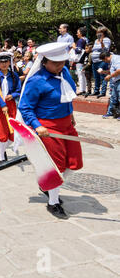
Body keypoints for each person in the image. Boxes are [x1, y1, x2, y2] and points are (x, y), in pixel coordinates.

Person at [18, 42, 83, 219]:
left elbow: (67, 95)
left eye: (62, 62)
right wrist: (37, 126)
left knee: (75, 162)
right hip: (48, 128)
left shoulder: (65, 73)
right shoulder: (36, 81)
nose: (60, 66)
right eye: (55, 63)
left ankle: (47, 185)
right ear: (45, 62)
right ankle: (53, 202)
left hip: (67, 125)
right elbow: (25, 107)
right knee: (57, 166)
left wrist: (71, 115)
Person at [0, 52, 21, 164]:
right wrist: (2, 105)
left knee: (13, 131)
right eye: (1, 62)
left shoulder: (14, 76)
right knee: (2, 130)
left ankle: (2, 148)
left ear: (10, 62)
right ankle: (1, 156)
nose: (3, 64)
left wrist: (12, 95)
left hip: (11, 105)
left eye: (6, 61)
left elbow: (18, 90)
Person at [91, 27, 112, 98]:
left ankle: (103, 92)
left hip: (102, 61)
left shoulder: (106, 40)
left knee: (103, 76)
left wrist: (102, 42)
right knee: (96, 77)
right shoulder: (96, 40)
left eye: (100, 32)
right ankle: (96, 90)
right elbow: (93, 49)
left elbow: (105, 49)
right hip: (94, 61)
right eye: (97, 32)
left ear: (103, 33)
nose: (98, 34)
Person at [100, 51, 120, 120]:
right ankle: (111, 112)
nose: (105, 62)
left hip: (119, 81)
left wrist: (110, 76)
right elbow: (113, 71)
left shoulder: (116, 59)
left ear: (106, 58)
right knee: (113, 98)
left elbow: (119, 70)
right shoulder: (112, 61)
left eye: (104, 60)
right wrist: (104, 72)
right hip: (115, 81)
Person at [72, 27, 89, 95]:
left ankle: (82, 89)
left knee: (80, 75)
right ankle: (84, 89)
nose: (77, 34)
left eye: (78, 32)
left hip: (80, 60)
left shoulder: (80, 40)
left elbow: (78, 51)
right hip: (85, 59)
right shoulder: (86, 39)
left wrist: (74, 47)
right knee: (83, 75)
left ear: (81, 33)